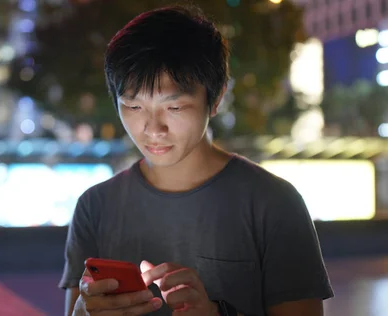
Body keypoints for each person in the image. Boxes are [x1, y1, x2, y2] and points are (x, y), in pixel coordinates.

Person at [58, 4, 334, 316]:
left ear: (215, 99)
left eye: (173, 108)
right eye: (133, 107)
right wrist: (83, 311)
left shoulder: (273, 203)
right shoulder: (95, 207)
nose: (153, 129)